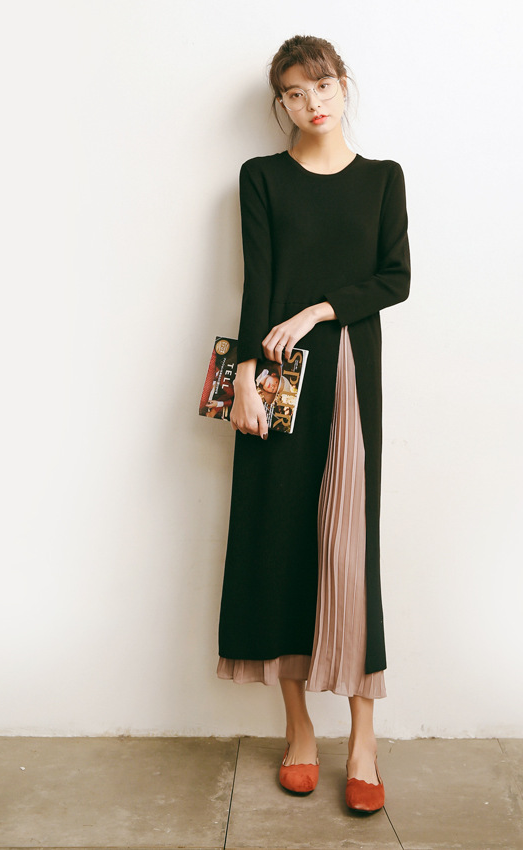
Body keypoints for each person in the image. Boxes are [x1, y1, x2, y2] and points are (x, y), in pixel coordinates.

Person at [216, 34, 410, 813]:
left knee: (349, 548)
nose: (312, 102)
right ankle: (299, 730)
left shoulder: (383, 178)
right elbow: (257, 280)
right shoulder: (260, 178)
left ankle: (362, 738)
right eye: (295, 93)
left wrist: (321, 309)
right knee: (277, 542)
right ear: (282, 104)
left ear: (343, 85)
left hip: (351, 371)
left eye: (322, 85)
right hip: (278, 380)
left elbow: (395, 278)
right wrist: (243, 379)